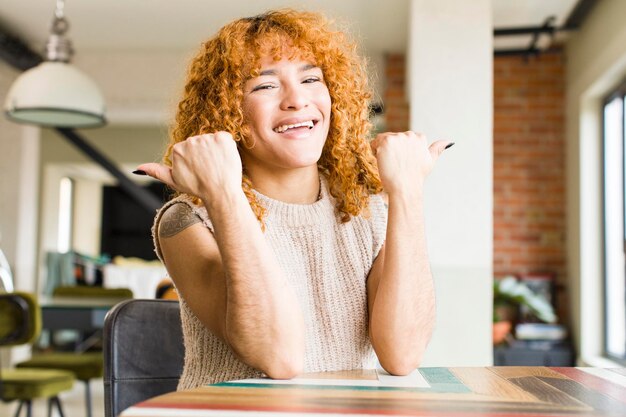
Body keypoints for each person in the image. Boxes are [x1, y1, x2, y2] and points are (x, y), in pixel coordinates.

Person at [134, 9, 452, 390]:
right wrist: (224, 194)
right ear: (227, 112)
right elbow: (280, 357)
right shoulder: (188, 220)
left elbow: (402, 354)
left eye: (311, 78)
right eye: (265, 86)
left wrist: (407, 193)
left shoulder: (368, 210)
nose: (297, 100)